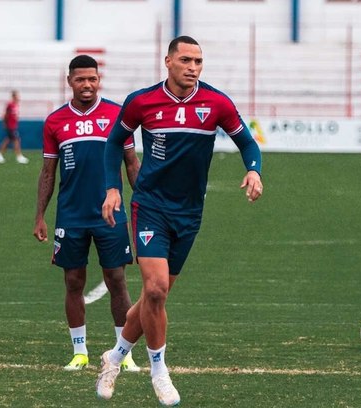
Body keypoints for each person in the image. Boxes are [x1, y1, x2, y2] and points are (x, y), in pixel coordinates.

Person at [96, 36, 263, 406]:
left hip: (189, 213)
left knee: (155, 295)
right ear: (168, 61)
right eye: (186, 60)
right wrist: (112, 188)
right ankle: (160, 371)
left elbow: (248, 144)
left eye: (199, 61)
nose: (193, 67)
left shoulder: (217, 103)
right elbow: (113, 143)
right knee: (154, 290)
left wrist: (254, 171)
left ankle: (116, 356)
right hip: (150, 205)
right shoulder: (142, 101)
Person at [33, 55, 142, 372]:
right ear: (69, 81)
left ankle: (124, 352)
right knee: (73, 281)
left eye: (92, 79)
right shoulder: (55, 121)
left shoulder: (117, 115)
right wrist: (40, 214)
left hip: (111, 213)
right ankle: (79, 352)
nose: (87, 84)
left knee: (117, 280)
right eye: (80, 79)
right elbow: (48, 172)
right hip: (71, 215)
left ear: (99, 80)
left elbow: (132, 163)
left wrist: (145, 201)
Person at [0, 90, 29, 164]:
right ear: (13, 96)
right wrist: (5, 124)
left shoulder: (16, 105)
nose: (19, 97)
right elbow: (5, 115)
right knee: (16, 140)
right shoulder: (10, 104)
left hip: (13, 125)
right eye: (17, 96)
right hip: (10, 126)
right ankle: (19, 156)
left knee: (8, 140)